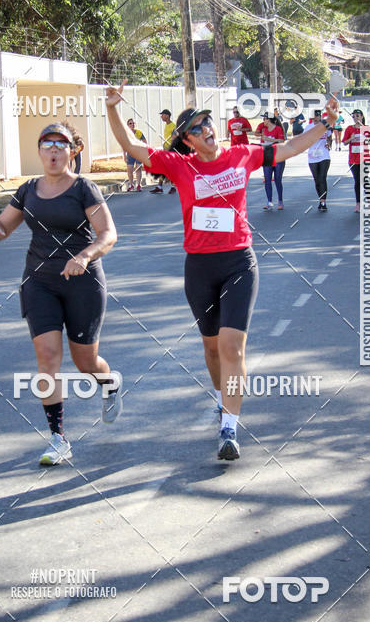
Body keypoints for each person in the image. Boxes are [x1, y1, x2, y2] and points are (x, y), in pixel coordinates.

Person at [105, 80, 340, 461]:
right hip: (199, 267)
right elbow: (131, 147)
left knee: (233, 345)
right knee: (212, 347)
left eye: (207, 122)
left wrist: (326, 124)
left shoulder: (242, 155)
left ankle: (229, 427)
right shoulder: (178, 166)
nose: (206, 130)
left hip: (238, 262)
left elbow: (291, 147)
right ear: (187, 141)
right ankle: (220, 397)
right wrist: (113, 108)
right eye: (195, 129)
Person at [0, 122, 118, 465]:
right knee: (47, 357)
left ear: (73, 152)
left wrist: (84, 256)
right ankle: (58, 438)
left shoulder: (84, 188)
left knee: (86, 362)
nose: (54, 150)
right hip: (39, 281)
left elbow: (108, 234)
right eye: (47, 144)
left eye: (61, 144)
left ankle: (109, 382)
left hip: (82, 281)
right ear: (39, 151)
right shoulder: (28, 190)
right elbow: (6, 224)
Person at [342, 109, 370, 212]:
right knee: (357, 181)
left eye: (357, 116)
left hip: (365, 158)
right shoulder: (349, 129)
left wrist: (365, 137)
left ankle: (369, 201)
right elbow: (345, 142)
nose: (356, 118)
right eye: (354, 116)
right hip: (353, 159)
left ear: (362, 117)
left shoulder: (366, 128)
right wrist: (351, 138)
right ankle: (358, 204)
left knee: (364, 179)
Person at [254, 112, 285, 209]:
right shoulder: (264, 130)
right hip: (267, 156)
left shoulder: (278, 129)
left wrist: (270, 140)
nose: (264, 121)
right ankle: (269, 202)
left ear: (269, 120)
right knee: (267, 179)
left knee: (277, 179)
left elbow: (282, 141)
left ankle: (280, 202)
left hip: (278, 156)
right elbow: (263, 143)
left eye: (265, 119)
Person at [306, 109, 332, 212]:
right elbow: (303, 140)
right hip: (312, 156)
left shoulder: (325, 126)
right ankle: (320, 199)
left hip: (324, 155)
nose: (316, 117)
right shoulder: (308, 127)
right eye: (315, 116)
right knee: (317, 180)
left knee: (322, 178)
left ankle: (323, 202)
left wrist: (329, 143)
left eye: (318, 115)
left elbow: (330, 137)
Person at [150, 109, 177, 194]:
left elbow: (174, 138)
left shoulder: (173, 126)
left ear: (167, 116)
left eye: (162, 115)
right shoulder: (167, 125)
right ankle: (159, 187)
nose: (161, 116)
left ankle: (173, 187)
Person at [124, 118, 146, 191]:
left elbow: (145, 142)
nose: (132, 124)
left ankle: (139, 185)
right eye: (130, 123)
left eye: (133, 123)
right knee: (129, 170)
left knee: (138, 169)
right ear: (127, 125)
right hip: (130, 154)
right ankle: (131, 185)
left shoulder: (139, 132)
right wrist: (124, 155)